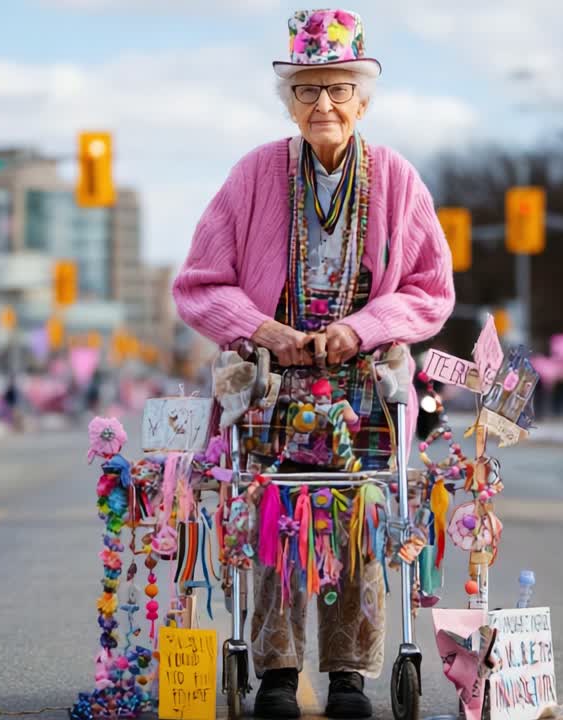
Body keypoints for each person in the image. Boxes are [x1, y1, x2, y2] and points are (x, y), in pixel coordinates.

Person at [172, 9, 454, 717]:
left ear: (362, 98)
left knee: (353, 517)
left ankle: (350, 674)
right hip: (273, 381)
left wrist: (360, 330)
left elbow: (429, 290)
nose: (322, 105)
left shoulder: (396, 179)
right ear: (289, 100)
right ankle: (274, 672)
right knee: (272, 514)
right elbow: (200, 282)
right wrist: (265, 329)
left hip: (360, 382)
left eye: (337, 89)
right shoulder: (255, 174)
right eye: (306, 91)